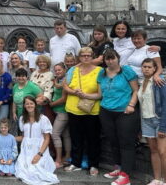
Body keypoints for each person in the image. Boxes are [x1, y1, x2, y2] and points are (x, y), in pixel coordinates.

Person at [97, 49, 139, 185]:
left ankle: (125, 176)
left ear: (118, 58)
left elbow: (136, 90)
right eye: (107, 59)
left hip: (125, 111)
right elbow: (99, 94)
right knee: (113, 140)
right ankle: (118, 168)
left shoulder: (126, 71)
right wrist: (82, 95)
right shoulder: (101, 73)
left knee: (126, 142)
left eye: (112, 58)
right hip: (106, 110)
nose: (110, 61)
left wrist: (131, 105)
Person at [63, 47, 102, 175]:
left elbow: (101, 92)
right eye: (83, 55)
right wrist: (74, 92)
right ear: (79, 57)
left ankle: (93, 164)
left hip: (91, 109)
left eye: (88, 55)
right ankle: (76, 162)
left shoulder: (99, 71)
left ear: (92, 57)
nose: (86, 57)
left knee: (92, 138)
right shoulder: (73, 70)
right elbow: (65, 86)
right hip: (73, 108)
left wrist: (86, 95)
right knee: (76, 138)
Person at [14, 97, 59, 185]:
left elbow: (47, 139)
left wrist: (39, 154)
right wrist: (10, 138)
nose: (29, 105)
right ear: (24, 106)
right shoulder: (22, 118)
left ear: (35, 105)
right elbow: (24, 137)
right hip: (26, 150)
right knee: (23, 169)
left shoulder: (43, 119)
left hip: (39, 149)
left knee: (36, 170)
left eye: (31, 103)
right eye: (27, 104)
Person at [138, 58, 166, 185]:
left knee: (163, 151)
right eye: (144, 66)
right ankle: (157, 179)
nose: (146, 69)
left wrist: (163, 127)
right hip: (146, 120)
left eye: (149, 67)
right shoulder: (141, 82)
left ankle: (165, 180)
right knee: (153, 151)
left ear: (155, 69)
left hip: (159, 120)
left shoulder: (159, 82)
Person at [49, 62, 71, 169]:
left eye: (59, 70)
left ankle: (58, 159)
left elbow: (64, 99)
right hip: (58, 111)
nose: (57, 72)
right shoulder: (57, 80)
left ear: (64, 70)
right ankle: (67, 157)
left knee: (55, 134)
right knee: (65, 135)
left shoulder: (66, 81)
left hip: (63, 111)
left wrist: (51, 104)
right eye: (56, 70)